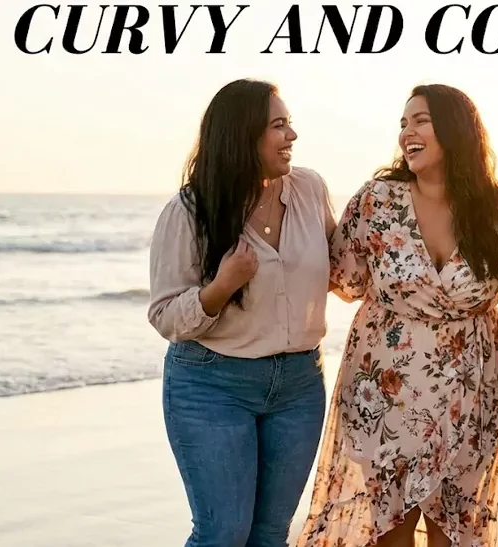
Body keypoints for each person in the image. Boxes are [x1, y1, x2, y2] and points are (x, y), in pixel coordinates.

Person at [297, 84, 498, 547]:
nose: (408, 133)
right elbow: (340, 276)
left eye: (420, 120)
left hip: (471, 392)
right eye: (404, 124)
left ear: (456, 129)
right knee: (390, 529)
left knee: (455, 529)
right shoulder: (376, 202)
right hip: (387, 389)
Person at [147, 79, 335, 547]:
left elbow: (346, 264)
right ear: (242, 135)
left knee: (271, 536)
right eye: (278, 126)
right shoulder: (190, 211)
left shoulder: (309, 189)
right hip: (212, 386)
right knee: (222, 533)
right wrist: (221, 287)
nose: (291, 136)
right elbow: (166, 315)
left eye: (289, 124)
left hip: (298, 385)